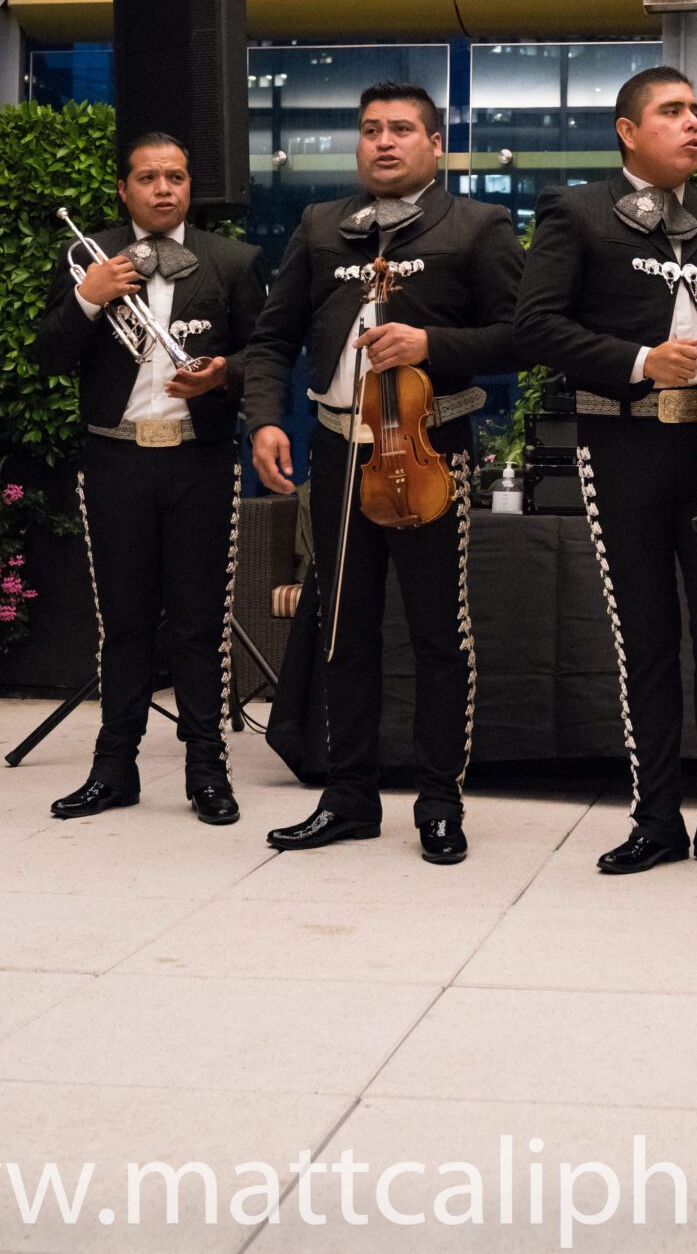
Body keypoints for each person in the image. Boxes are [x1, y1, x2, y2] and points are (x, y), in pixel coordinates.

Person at [514, 66, 697, 876]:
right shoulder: (578, 212)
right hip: (624, 444)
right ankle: (657, 819)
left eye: (696, 112)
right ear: (628, 131)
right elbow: (535, 327)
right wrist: (640, 360)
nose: (692, 125)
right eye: (671, 113)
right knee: (645, 640)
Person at [245, 82, 523, 865]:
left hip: (432, 450)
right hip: (337, 450)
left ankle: (440, 803)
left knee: (440, 634)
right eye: (370, 129)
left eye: (403, 129)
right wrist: (266, 416)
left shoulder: (479, 225)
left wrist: (432, 344)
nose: (384, 142)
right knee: (342, 630)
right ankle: (348, 799)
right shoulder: (321, 225)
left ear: (435, 145)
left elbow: (522, 336)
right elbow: (271, 340)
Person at [31, 132, 263, 825]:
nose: (164, 188)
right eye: (148, 178)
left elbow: (268, 354)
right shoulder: (89, 258)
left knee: (199, 623)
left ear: (190, 186)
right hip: (116, 457)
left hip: (198, 458)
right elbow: (47, 357)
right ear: (124, 189)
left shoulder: (234, 260)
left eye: (176, 177)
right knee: (124, 623)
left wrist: (225, 372)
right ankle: (113, 769)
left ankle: (206, 770)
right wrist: (86, 299)